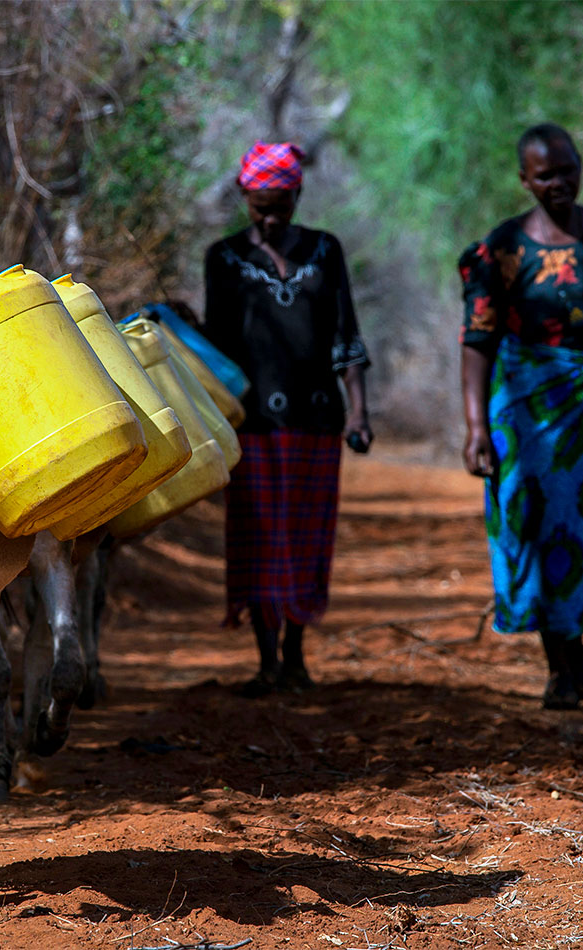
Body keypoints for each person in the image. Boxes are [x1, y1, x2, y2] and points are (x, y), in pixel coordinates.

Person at [459, 122, 583, 709]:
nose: (558, 182)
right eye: (545, 174)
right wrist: (475, 428)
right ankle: (560, 662)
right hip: (521, 408)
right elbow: (477, 340)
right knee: (529, 522)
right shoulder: (503, 249)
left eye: (567, 169)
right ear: (525, 179)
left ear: (580, 167)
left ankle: (575, 652)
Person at [200, 140, 373, 697]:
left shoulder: (326, 251)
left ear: (298, 194)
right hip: (250, 424)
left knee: (304, 537)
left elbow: (346, 335)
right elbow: (219, 348)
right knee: (257, 536)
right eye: (259, 206)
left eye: (280, 205)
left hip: (318, 419)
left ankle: (295, 658)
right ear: (243, 197)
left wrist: (359, 412)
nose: (271, 218)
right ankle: (266, 661)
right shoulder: (223, 259)